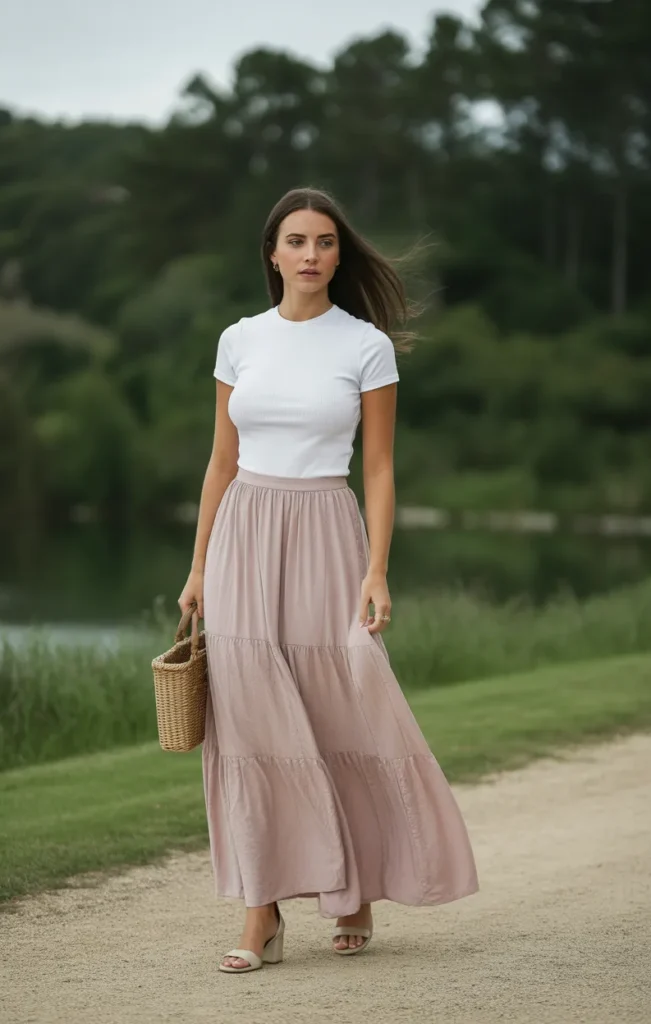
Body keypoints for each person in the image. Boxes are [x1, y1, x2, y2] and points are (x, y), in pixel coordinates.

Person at [178, 186, 479, 973]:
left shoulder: (364, 346)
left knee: (339, 707)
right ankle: (260, 915)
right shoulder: (238, 340)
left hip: (325, 532)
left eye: (324, 242)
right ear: (272, 254)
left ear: (338, 256)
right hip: (244, 530)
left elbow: (378, 470)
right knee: (247, 723)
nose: (310, 254)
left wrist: (377, 569)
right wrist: (199, 565)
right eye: (295, 241)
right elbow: (220, 462)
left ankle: (351, 894)